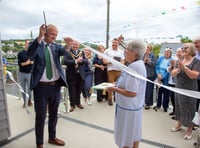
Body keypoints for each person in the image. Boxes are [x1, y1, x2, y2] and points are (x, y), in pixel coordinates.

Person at [26, 24, 67, 148]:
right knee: (41, 116)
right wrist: (39, 36)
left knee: (54, 114)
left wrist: (69, 45)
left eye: (56, 34)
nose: (55, 37)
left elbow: (65, 52)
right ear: (45, 33)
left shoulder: (56, 47)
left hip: (55, 86)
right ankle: (39, 143)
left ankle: (52, 137)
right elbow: (29, 53)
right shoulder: (38, 45)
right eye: (52, 34)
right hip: (41, 88)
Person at [106, 38, 147, 148]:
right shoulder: (135, 64)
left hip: (129, 109)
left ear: (135, 52)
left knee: (127, 136)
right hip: (132, 108)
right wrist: (117, 84)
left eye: (127, 49)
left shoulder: (135, 66)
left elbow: (132, 92)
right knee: (133, 134)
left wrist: (114, 89)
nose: (125, 51)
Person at [170, 43, 200, 140]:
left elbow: (194, 76)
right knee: (178, 106)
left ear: (191, 49)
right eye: (182, 48)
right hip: (178, 87)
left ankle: (189, 129)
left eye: (185, 48)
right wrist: (177, 70)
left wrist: (185, 68)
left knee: (188, 108)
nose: (183, 49)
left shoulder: (196, 61)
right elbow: (173, 74)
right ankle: (178, 124)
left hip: (189, 89)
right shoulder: (179, 60)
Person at [63, 40, 87, 112]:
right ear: (71, 45)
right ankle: (72, 105)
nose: (75, 46)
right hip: (71, 74)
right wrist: (76, 61)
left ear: (78, 45)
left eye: (76, 44)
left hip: (80, 74)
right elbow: (65, 61)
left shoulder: (81, 52)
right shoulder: (67, 52)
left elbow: (86, 61)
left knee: (79, 90)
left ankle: (78, 103)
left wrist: (81, 61)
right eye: (74, 44)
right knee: (72, 91)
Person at [104, 38, 125, 106]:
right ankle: (110, 99)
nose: (114, 44)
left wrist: (120, 63)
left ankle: (117, 98)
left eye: (116, 43)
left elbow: (123, 60)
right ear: (112, 43)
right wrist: (111, 61)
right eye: (113, 43)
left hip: (119, 70)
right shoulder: (107, 51)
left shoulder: (121, 52)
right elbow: (104, 61)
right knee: (111, 85)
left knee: (119, 85)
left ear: (118, 44)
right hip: (111, 70)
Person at [154, 48, 172, 112]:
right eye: (165, 52)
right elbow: (156, 66)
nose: (166, 53)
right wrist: (158, 74)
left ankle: (165, 106)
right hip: (158, 77)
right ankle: (158, 105)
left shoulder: (171, 60)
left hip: (166, 78)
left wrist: (163, 76)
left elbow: (169, 70)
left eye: (168, 52)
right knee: (159, 92)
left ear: (170, 54)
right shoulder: (161, 58)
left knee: (166, 93)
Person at [167, 47, 183, 119]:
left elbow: (178, 71)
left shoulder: (183, 61)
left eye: (180, 52)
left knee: (178, 99)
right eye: (177, 52)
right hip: (171, 82)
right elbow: (169, 70)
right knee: (173, 97)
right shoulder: (175, 60)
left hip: (178, 83)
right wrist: (172, 66)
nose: (178, 53)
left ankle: (178, 114)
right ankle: (175, 111)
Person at [17, 40, 34, 108]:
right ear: (25, 44)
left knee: (30, 89)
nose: (29, 45)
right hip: (22, 73)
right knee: (23, 89)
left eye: (30, 44)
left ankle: (29, 101)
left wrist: (26, 63)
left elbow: (34, 62)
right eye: (28, 43)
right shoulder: (20, 53)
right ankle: (25, 102)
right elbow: (20, 64)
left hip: (30, 74)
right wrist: (27, 63)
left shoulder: (33, 53)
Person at [142, 44, 157, 110]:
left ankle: (148, 103)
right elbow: (141, 62)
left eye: (148, 47)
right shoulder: (144, 54)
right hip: (143, 74)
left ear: (150, 48)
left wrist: (148, 61)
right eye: (146, 47)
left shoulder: (153, 55)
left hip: (150, 75)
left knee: (149, 89)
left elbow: (154, 64)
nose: (146, 48)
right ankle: (147, 102)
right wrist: (144, 61)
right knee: (144, 89)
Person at [193, 37, 200, 112]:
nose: (195, 45)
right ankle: (195, 118)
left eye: (197, 42)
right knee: (195, 99)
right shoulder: (195, 55)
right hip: (196, 80)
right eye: (194, 43)